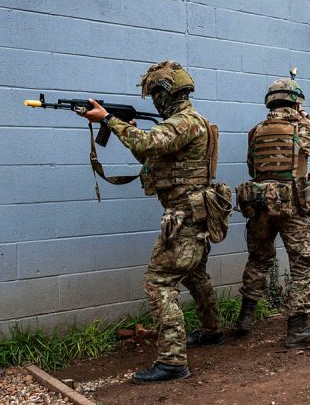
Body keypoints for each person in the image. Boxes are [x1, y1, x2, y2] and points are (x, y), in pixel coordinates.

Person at [81, 61, 223, 383]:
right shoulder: (186, 122)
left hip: (184, 218)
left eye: (155, 94)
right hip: (193, 215)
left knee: (158, 282)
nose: (154, 101)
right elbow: (151, 157)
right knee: (195, 275)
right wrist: (122, 127)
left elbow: (146, 143)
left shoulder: (184, 122)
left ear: (165, 93)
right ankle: (212, 331)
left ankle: (172, 361)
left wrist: (108, 120)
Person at [234, 77, 310, 348]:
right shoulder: (303, 126)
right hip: (292, 207)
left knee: (258, 259)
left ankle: (245, 317)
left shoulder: (256, 131)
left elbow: (252, 166)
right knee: (303, 263)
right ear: (295, 101)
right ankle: (297, 328)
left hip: (260, 205)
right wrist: (306, 116)